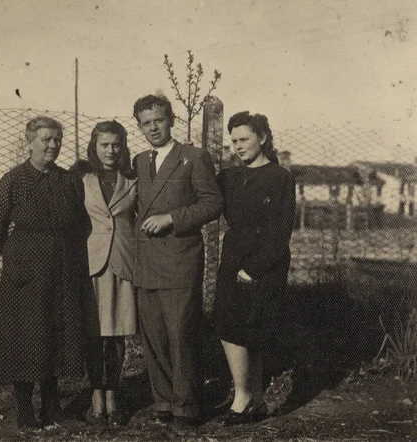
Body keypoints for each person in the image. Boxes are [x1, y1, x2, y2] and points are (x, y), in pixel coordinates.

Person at [0, 116, 90, 428]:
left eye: (57, 139)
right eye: (46, 139)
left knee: (55, 333)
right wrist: (17, 253)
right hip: (25, 274)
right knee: (26, 336)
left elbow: (81, 222)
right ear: (30, 143)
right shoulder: (14, 180)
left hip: (62, 270)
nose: (53, 145)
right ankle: (26, 408)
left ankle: (53, 406)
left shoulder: (69, 180)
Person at [131, 94, 222, 427]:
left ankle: (187, 407)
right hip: (147, 261)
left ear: (170, 119)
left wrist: (172, 218)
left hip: (180, 259)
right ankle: (164, 402)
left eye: (158, 120)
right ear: (139, 127)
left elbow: (212, 204)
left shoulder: (194, 157)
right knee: (153, 335)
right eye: (145, 123)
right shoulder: (139, 161)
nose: (153, 128)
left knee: (181, 334)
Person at [214, 111, 296, 425]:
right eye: (233, 141)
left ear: (261, 137)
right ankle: (249, 396)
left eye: (244, 139)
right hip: (234, 253)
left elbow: (281, 229)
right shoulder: (229, 177)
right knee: (229, 324)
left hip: (265, 258)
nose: (238, 146)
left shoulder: (280, 177)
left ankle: (246, 397)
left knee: (252, 327)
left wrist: (255, 268)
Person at [71, 120, 138, 427]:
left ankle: (113, 395)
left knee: (117, 333)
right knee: (93, 333)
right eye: (104, 145)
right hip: (90, 262)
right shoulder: (81, 177)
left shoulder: (133, 177)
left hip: (123, 261)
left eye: (116, 145)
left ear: (123, 146)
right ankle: (96, 396)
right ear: (94, 146)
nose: (111, 151)